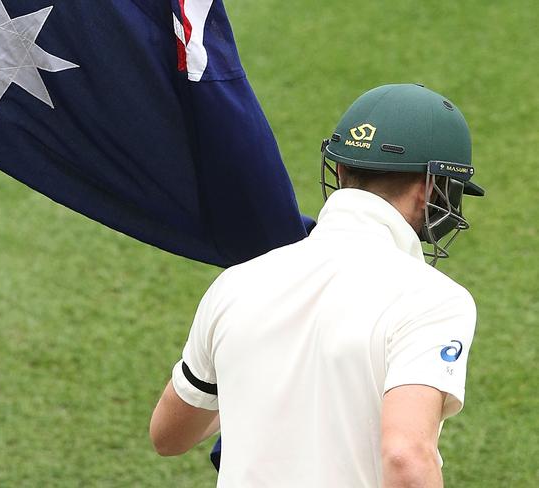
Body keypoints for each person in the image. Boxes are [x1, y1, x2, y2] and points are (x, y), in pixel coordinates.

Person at [149, 84, 485, 487]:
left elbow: (169, 434)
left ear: (340, 171)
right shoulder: (433, 300)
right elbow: (406, 457)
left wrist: (266, 388)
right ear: (432, 188)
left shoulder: (236, 283)